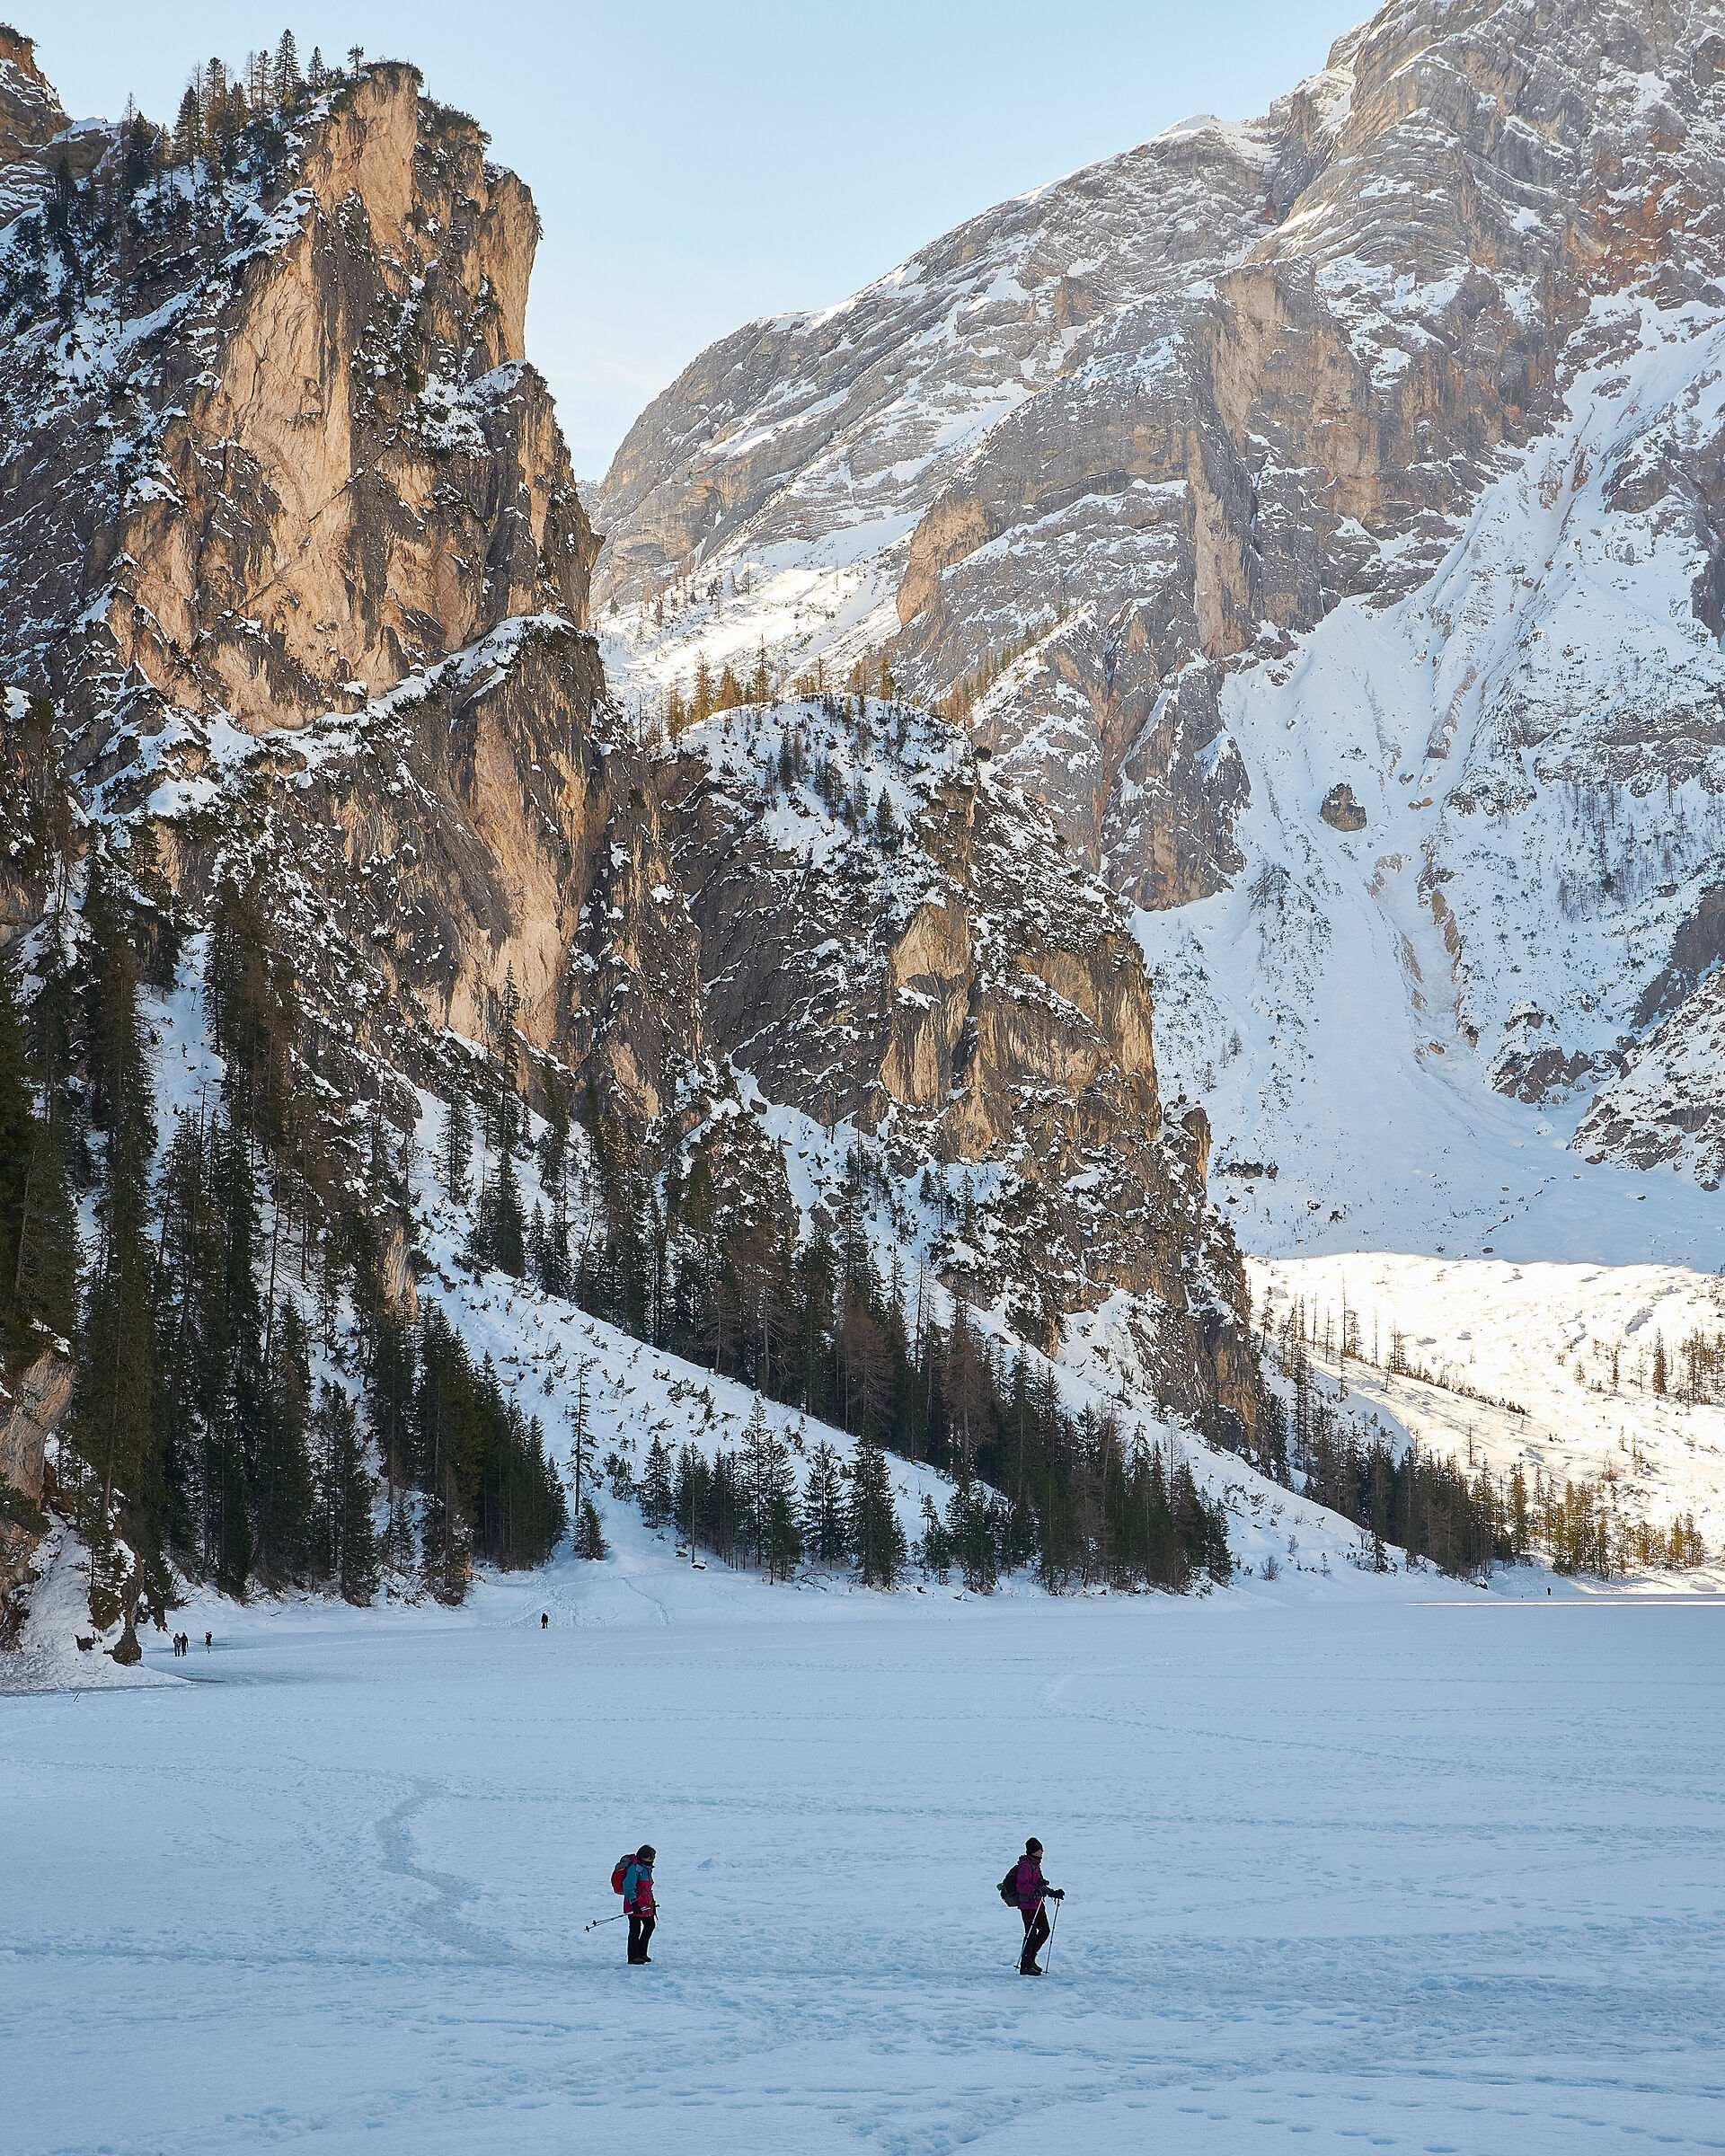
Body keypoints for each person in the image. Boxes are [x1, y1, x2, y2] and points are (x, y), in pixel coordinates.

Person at [1013, 1838, 1063, 1975]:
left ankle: (1031, 1960)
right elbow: (1021, 1886)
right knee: (1031, 1935)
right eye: (1040, 1849)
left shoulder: (1035, 1865)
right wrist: (1036, 1891)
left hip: (1038, 1905)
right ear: (1034, 1850)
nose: (1042, 1852)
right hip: (1028, 1906)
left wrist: (1052, 1892)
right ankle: (1026, 1965)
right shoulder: (1025, 1866)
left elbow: (1039, 1884)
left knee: (1045, 1931)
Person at [622, 1844, 657, 1965]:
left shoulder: (647, 1868)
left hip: (647, 1905)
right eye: (651, 1857)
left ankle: (642, 1953)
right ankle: (633, 1956)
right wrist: (633, 1903)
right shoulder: (635, 1869)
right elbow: (628, 1887)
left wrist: (652, 1901)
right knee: (635, 1930)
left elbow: (648, 1887)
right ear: (645, 1857)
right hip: (635, 1904)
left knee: (650, 1925)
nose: (653, 1859)